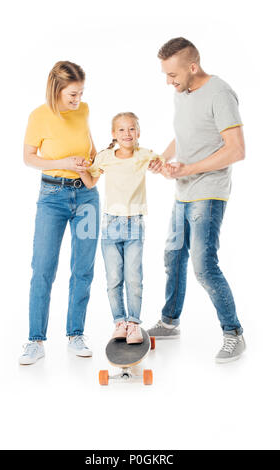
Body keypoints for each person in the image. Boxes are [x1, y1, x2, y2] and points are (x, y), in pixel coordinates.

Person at [148, 37, 246, 363]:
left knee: (204, 266)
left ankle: (233, 333)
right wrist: (164, 158)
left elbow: (236, 149)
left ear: (193, 67)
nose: (168, 82)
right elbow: (187, 132)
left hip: (209, 191)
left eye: (172, 75)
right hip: (184, 190)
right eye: (165, 75)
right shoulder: (183, 92)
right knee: (173, 256)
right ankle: (170, 322)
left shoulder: (219, 93)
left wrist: (189, 168)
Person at [19, 61, 100, 365]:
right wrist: (66, 162)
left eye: (80, 93)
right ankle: (35, 340)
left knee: (83, 268)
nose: (77, 99)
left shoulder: (84, 110)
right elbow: (28, 157)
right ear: (56, 89)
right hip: (52, 196)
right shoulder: (39, 116)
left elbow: (90, 148)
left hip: (87, 196)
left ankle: (75, 333)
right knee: (43, 268)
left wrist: (93, 162)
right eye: (72, 95)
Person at [77, 112, 163, 344]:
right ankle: (120, 322)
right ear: (114, 134)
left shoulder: (144, 155)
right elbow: (91, 181)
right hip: (110, 225)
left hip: (135, 223)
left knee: (133, 277)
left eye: (132, 129)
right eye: (122, 130)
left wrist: (160, 164)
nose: (127, 134)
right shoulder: (105, 157)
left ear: (138, 133)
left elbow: (162, 164)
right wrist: (81, 169)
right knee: (114, 277)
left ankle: (134, 323)